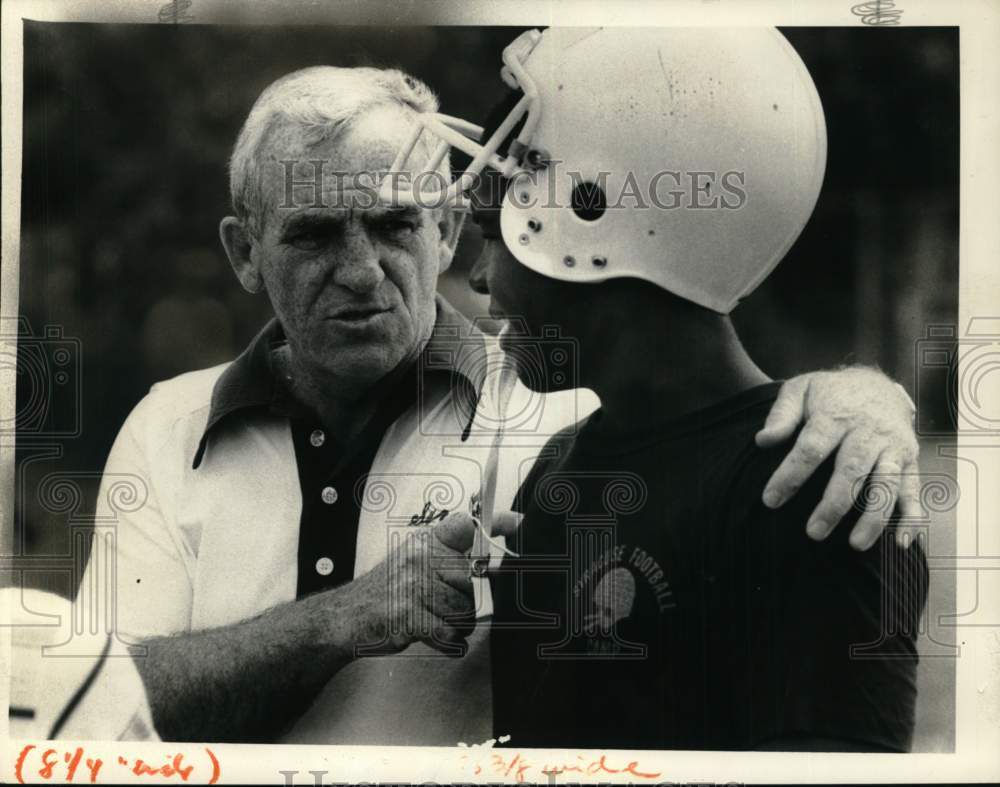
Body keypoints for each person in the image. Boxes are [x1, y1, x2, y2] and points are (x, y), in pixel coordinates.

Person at [75, 56, 920, 744]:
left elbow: (703, 406)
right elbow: (86, 710)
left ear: (446, 230)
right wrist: (344, 618)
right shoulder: (166, 426)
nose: (363, 272)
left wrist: (865, 398)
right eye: (314, 233)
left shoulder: (560, 411)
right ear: (243, 252)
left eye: (397, 225)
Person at [402, 27, 928, 750]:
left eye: (496, 231)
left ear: (595, 211)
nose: (483, 277)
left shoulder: (813, 486)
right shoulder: (559, 468)